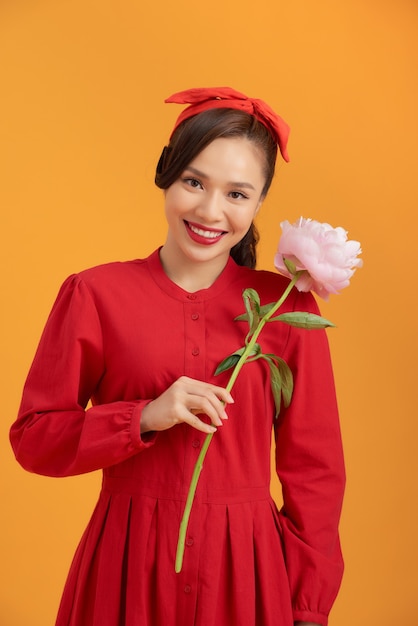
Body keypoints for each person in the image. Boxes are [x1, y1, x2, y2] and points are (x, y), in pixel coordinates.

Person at [10, 87, 345, 626]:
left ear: (260, 203)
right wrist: (142, 416)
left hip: (250, 572)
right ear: (166, 175)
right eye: (194, 182)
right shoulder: (94, 295)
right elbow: (34, 438)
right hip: (124, 564)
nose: (210, 211)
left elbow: (316, 472)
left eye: (237, 194)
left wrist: (308, 605)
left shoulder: (287, 310)